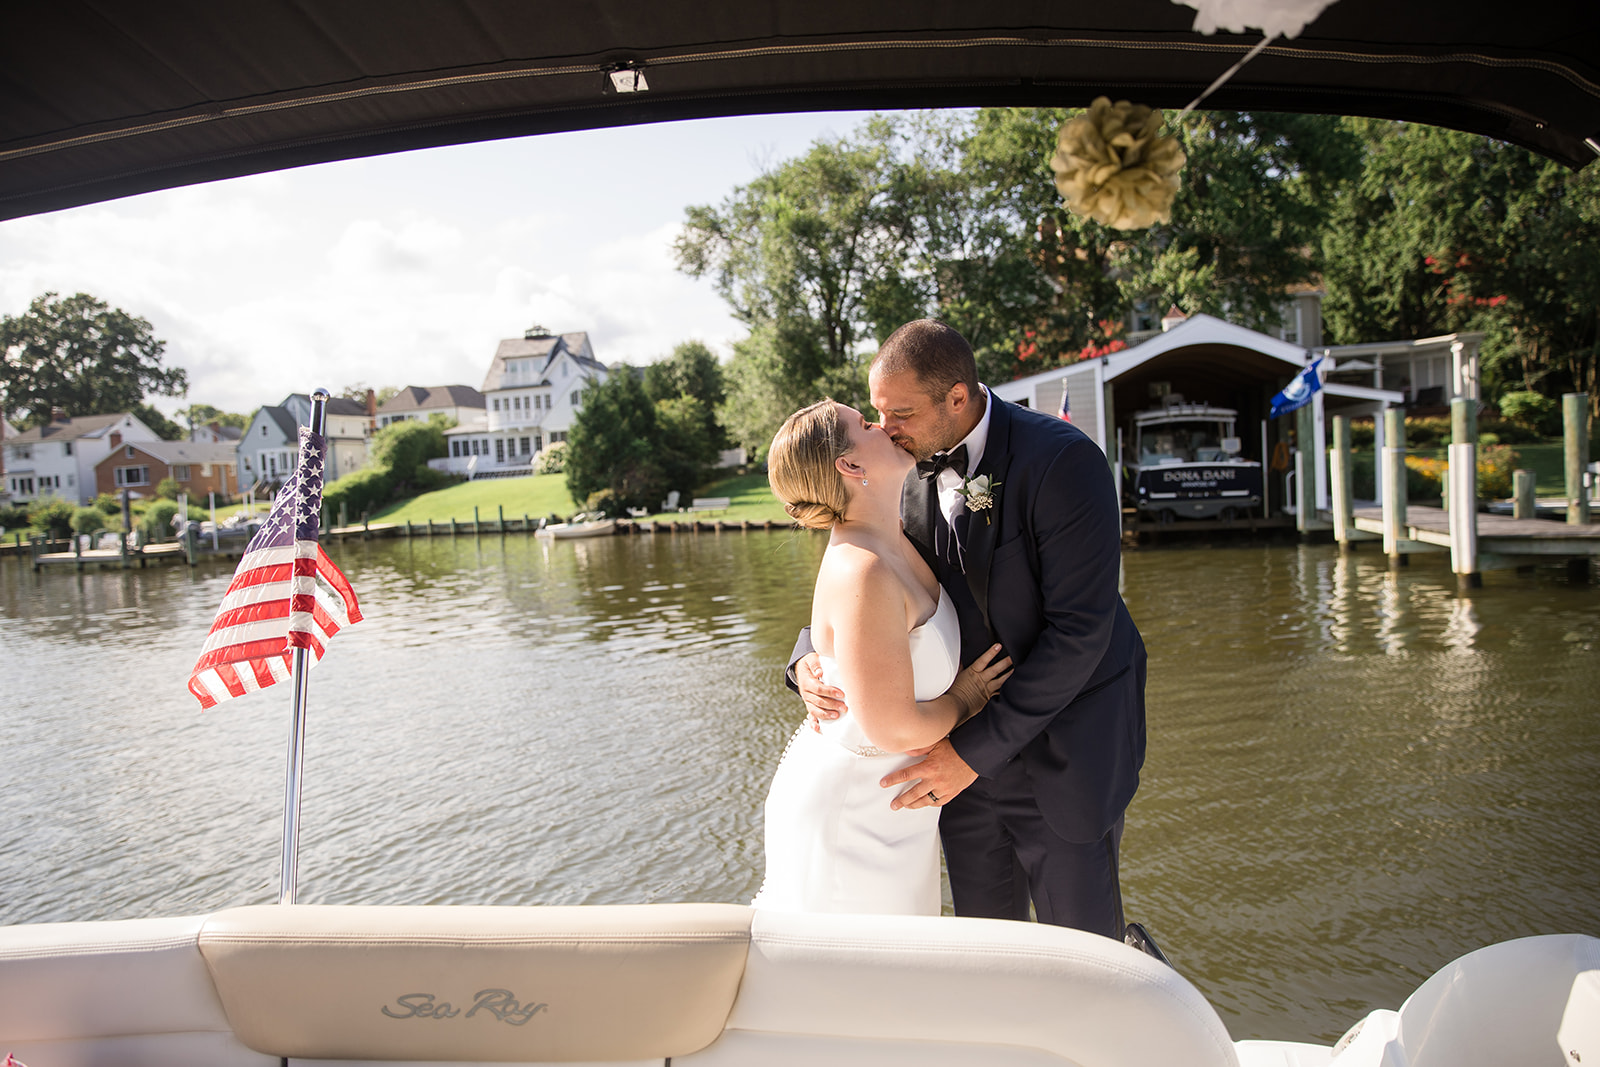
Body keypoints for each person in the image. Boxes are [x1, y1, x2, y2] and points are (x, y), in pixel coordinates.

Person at [791, 319, 1147, 938]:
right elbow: (861, 581)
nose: (886, 430)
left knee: (1088, 953)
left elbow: (1081, 632)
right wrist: (808, 661)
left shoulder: (1063, 462)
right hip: (949, 764)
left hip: (1065, 753)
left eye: (899, 412)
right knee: (985, 950)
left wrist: (971, 755)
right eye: (876, 414)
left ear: (957, 397)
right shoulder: (898, 473)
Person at [753, 398, 1011, 915]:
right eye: (867, 424)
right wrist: (967, 697)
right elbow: (891, 728)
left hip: (894, 806)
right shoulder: (863, 570)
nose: (886, 426)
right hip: (856, 814)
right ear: (849, 466)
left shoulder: (893, 534)